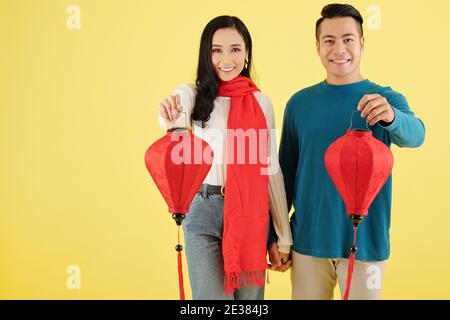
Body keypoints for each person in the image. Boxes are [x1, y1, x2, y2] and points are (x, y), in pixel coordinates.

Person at [277, 4, 425, 300]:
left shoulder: (384, 99)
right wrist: (277, 236)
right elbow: (285, 176)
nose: (339, 48)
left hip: (366, 243)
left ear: (362, 43)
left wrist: (393, 117)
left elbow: (417, 136)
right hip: (307, 241)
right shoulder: (299, 103)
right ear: (318, 47)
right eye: (329, 40)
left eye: (348, 39)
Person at [158, 15, 293, 300]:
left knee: (248, 304)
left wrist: (283, 236)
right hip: (203, 210)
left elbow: (271, 171)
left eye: (235, 49)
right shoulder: (193, 95)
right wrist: (168, 112)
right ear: (206, 54)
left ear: (246, 54)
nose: (226, 58)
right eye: (216, 50)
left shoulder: (261, 103)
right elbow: (174, 113)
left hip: (249, 213)